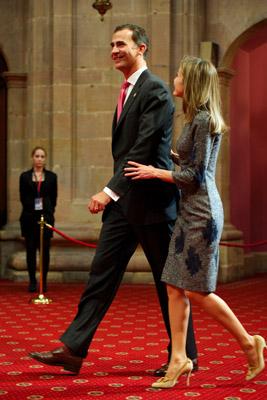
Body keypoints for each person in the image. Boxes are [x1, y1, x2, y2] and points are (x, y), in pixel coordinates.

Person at [29, 24, 198, 375]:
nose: (114, 50)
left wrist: (107, 191)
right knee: (100, 276)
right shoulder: (128, 91)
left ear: (142, 48)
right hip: (126, 204)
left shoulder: (156, 90)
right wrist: (116, 194)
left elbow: (143, 149)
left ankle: (186, 356)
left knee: (167, 282)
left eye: (121, 43)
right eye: (111, 44)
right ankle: (74, 349)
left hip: (153, 203)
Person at [124, 55, 266, 388]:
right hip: (191, 210)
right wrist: (164, 156)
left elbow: (195, 175)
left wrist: (155, 171)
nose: (174, 78)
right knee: (174, 286)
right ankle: (179, 359)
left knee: (198, 291)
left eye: (179, 75)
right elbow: (190, 161)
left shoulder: (203, 120)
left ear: (192, 83)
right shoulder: (194, 120)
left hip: (201, 213)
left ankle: (250, 343)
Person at [19, 146, 57, 292]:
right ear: (32, 158)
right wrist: (33, 210)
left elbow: (53, 198)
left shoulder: (52, 177)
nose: (39, 159)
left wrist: (47, 211)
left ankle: (44, 281)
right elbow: (23, 197)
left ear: (45, 159)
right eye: (37, 156)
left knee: (44, 252)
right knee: (30, 250)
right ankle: (32, 281)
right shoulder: (25, 176)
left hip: (45, 218)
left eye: (42, 156)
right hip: (29, 218)